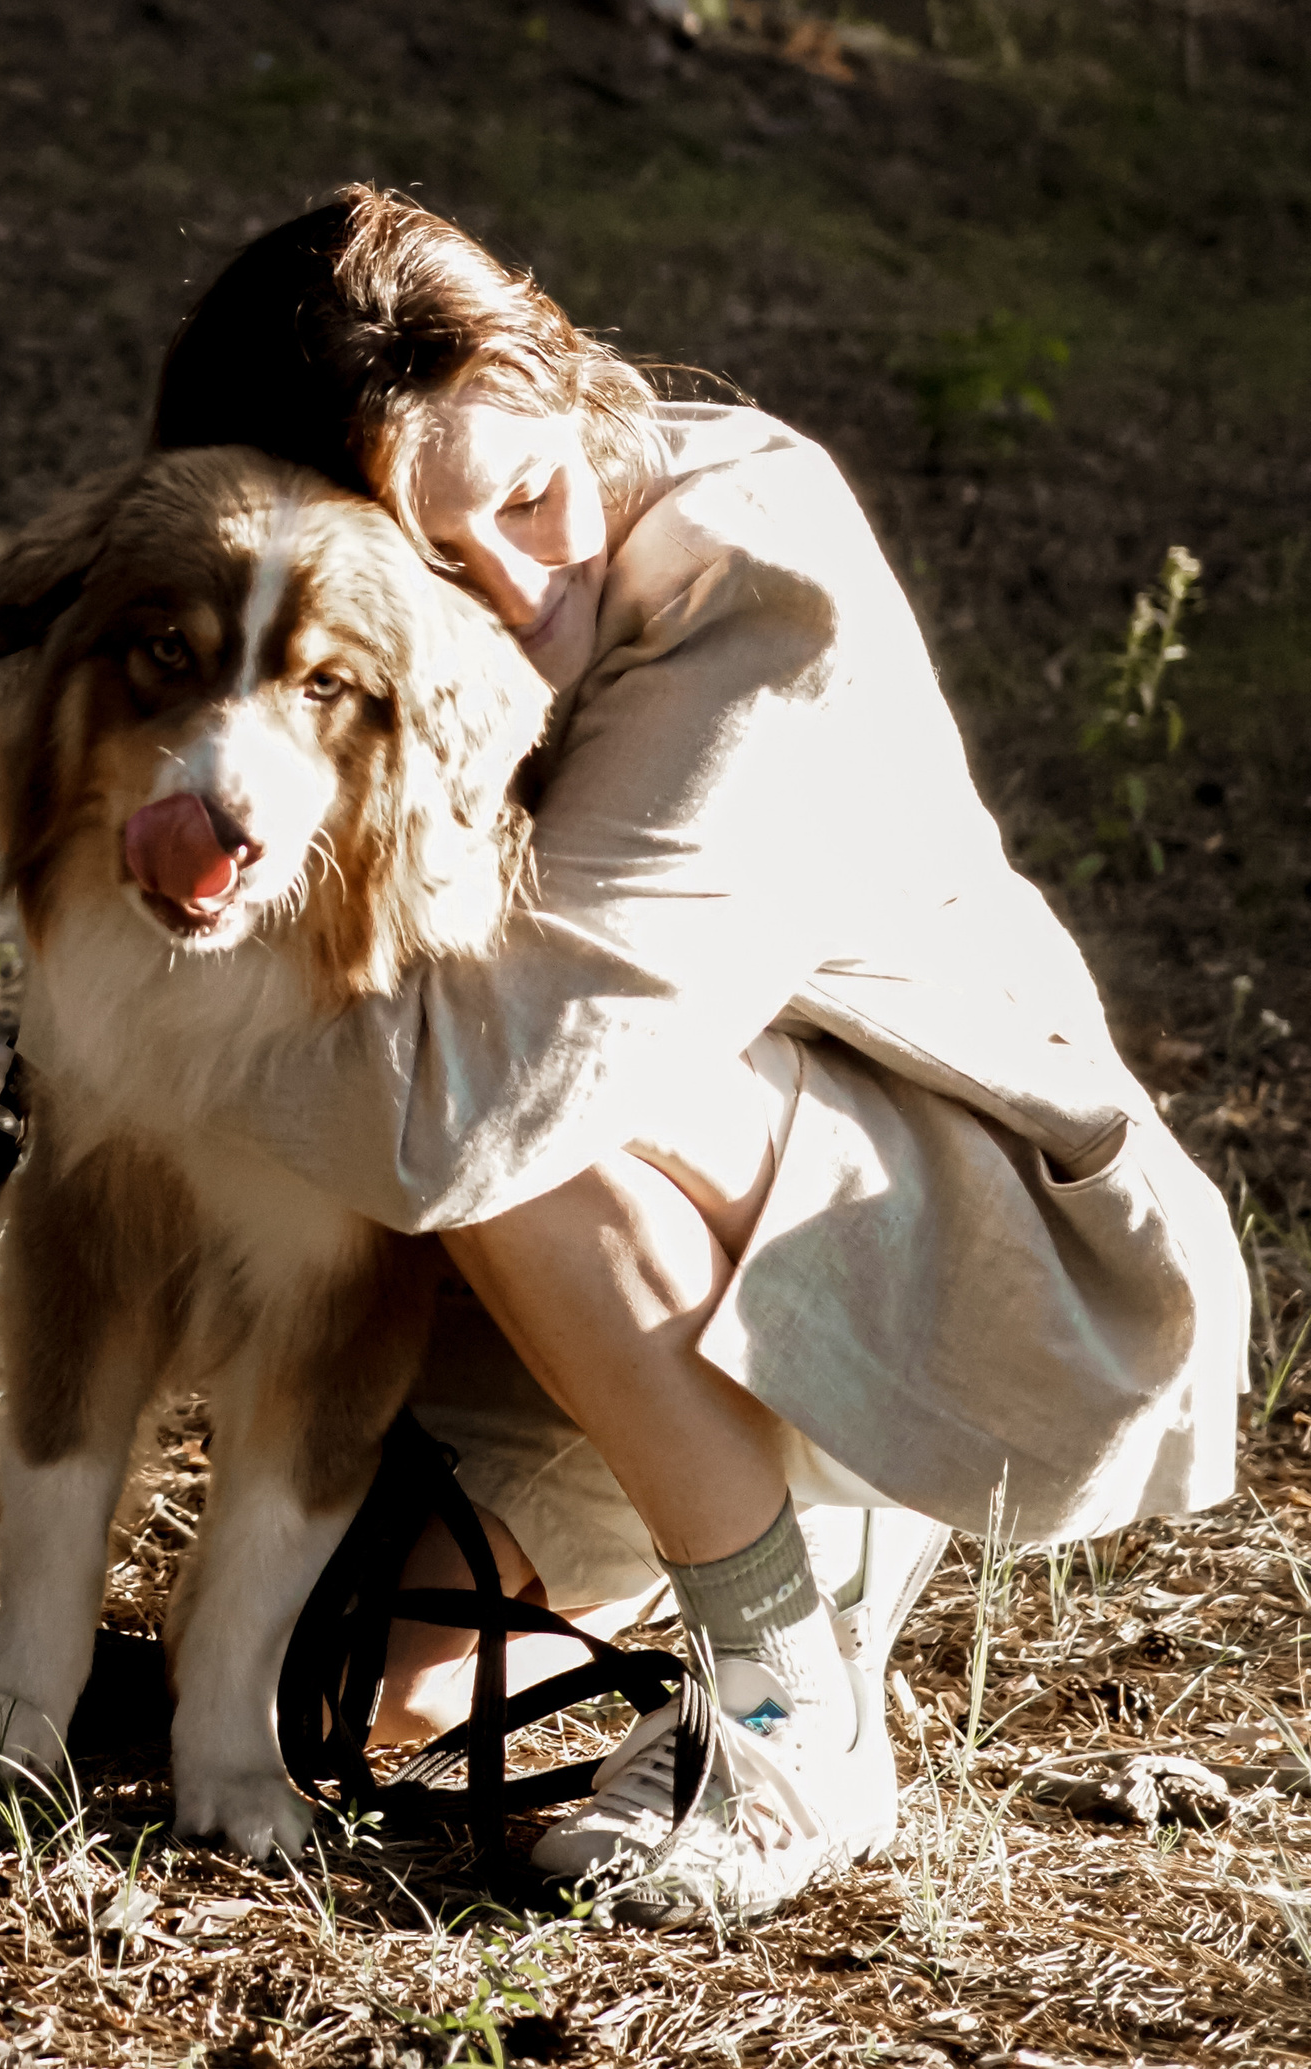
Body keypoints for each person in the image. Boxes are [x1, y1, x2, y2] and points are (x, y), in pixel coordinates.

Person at [143, 184, 1248, 1923]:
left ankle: (794, 1704)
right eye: (434, 565)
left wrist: (140, 1018)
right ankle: (755, 1503)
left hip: (972, 1229)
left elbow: (468, 1117)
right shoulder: (329, 625)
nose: (521, 581)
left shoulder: (757, 589)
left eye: (524, 491)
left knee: (522, 1112)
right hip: (651, 1228)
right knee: (337, 1705)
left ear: (562, 367)